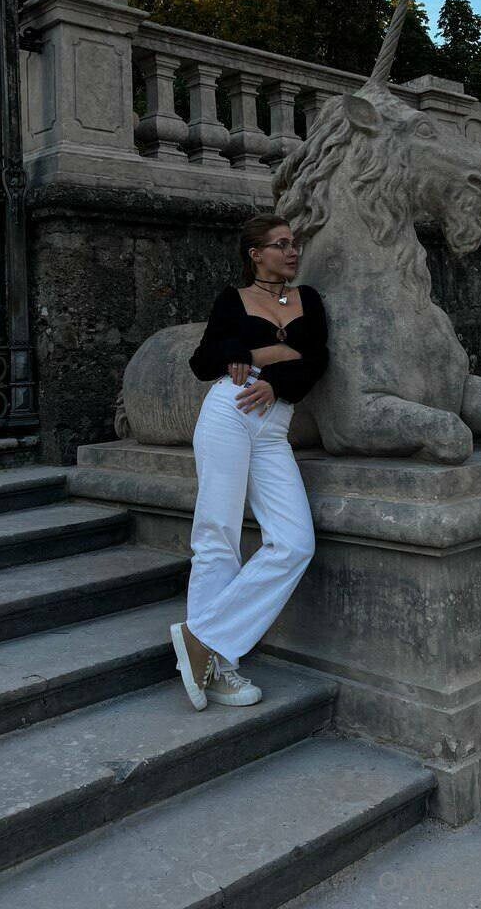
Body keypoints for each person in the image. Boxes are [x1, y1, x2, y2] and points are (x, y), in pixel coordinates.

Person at [170, 213, 329, 710]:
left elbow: (318, 359)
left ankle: (202, 637)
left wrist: (273, 375)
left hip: (274, 423)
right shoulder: (231, 299)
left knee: (295, 542)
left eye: (293, 243)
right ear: (255, 254)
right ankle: (218, 668)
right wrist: (247, 350)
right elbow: (204, 360)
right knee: (217, 532)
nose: (292, 251)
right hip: (231, 411)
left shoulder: (309, 300)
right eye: (281, 244)